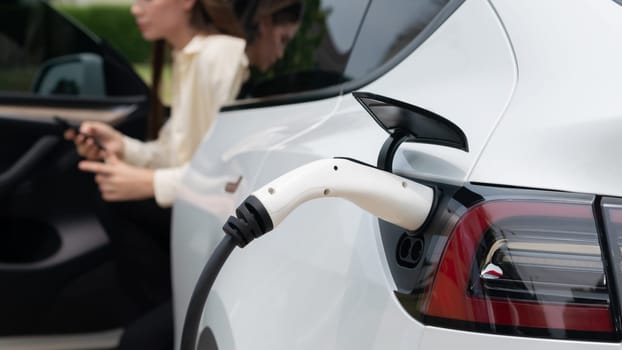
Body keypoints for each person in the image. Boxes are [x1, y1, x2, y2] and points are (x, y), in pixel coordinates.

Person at [64, 0, 302, 348]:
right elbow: (175, 150)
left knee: (137, 340)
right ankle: (169, 311)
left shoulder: (220, 56)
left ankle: (173, 314)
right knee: (104, 192)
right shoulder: (191, 56)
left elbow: (225, 175)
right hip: (198, 208)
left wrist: (147, 183)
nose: (134, 8)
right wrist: (121, 147)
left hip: (217, 218)